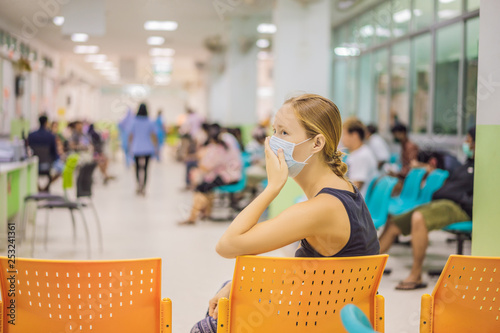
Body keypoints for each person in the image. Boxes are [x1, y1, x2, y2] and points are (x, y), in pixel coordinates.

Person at [190, 94, 379, 333]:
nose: (272, 141)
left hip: (315, 322)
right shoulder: (343, 189)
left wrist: (272, 188)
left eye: (284, 133)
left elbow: (227, 245)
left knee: (206, 327)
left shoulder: (322, 208)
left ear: (317, 144)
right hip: (330, 314)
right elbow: (312, 271)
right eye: (274, 130)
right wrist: (242, 284)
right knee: (230, 287)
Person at [378, 127, 476, 290]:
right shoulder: (466, 165)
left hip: (458, 208)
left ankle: (416, 276)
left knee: (418, 217)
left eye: (468, 140)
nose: (466, 143)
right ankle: (366, 269)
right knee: (394, 223)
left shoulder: (482, 169)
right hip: (441, 204)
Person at [179, 124, 242, 225]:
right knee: (206, 185)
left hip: (228, 177)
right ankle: (204, 213)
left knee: (201, 187)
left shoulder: (219, 150)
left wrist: (198, 163)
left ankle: (192, 217)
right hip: (231, 175)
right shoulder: (226, 145)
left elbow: (207, 166)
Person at [341, 117, 378, 197]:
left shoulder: (361, 156)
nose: (342, 139)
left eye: (344, 134)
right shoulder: (358, 152)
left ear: (354, 135)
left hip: (356, 203)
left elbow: (354, 187)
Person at [128, 103, 158, 196]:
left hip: (136, 147)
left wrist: (129, 147)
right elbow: (153, 135)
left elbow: (131, 135)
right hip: (147, 148)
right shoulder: (150, 121)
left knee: (137, 168)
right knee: (145, 169)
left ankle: (138, 185)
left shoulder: (134, 121)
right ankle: (144, 188)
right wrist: (156, 147)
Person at [28, 115, 61, 192]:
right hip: (47, 165)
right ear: (46, 123)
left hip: (34, 165)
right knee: (62, 169)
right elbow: (55, 153)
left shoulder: (31, 135)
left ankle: (40, 188)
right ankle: (45, 188)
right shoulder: (51, 136)